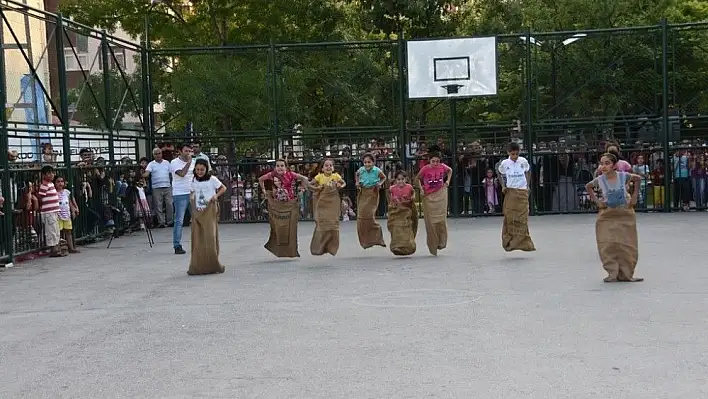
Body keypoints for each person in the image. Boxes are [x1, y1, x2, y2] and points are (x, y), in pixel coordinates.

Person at [585, 153, 644, 283]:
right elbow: (588, 187)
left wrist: (634, 196)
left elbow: (638, 179)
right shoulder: (600, 180)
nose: (603, 166)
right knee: (608, 243)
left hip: (624, 212)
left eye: (607, 163)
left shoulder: (623, 176)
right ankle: (612, 272)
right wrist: (596, 201)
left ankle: (627, 273)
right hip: (608, 213)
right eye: (602, 164)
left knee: (627, 243)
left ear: (614, 165)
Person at [259, 159, 310, 257]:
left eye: (282, 165)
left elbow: (305, 179)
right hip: (277, 203)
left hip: (289, 202)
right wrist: (264, 191)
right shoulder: (272, 174)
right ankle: (277, 247)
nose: (280, 167)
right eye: (277, 165)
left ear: (286, 167)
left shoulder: (290, 174)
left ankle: (290, 249)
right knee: (278, 226)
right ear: (275, 167)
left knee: (289, 227)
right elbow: (261, 179)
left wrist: (302, 190)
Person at [188, 158, 226, 275]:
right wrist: (192, 198)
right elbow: (192, 192)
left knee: (210, 237)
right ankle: (198, 265)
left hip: (209, 210)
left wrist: (216, 196)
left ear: (206, 169)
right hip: (198, 211)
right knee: (198, 238)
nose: (200, 171)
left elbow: (223, 188)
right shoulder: (193, 180)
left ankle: (213, 263)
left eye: (202, 169)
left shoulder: (212, 179)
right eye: (198, 169)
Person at [498, 142, 536, 252]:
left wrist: (527, 185)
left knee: (522, 218)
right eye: (512, 154)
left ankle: (524, 243)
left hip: (522, 190)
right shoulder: (505, 163)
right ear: (508, 153)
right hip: (511, 191)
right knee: (510, 216)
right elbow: (500, 173)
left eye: (516, 154)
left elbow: (528, 172)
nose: (515, 156)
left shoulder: (523, 161)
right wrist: (503, 186)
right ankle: (510, 241)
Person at [415, 147, 452, 256]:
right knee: (431, 222)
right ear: (429, 161)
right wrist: (421, 189)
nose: (435, 163)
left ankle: (442, 241)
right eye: (433, 161)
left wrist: (447, 181)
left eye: (437, 161)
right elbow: (417, 178)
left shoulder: (442, 167)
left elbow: (450, 170)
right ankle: (433, 244)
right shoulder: (425, 169)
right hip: (429, 196)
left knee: (441, 219)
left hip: (440, 194)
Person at [309, 158, 345, 256]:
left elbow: (343, 183)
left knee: (333, 224)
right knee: (322, 223)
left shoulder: (336, 176)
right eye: (326, 165)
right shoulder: (319, 177)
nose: (328, 167)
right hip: (323, 204)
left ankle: (331, 246)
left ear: (333, 168)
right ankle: (318, 247)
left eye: (330, 165)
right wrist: (317, 188)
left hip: (333, 204)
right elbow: (310, 185)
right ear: (322, 168)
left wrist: (340, 185)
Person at [355, 153, 387, 249]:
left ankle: (377, 235)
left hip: (373, 192)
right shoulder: (361, 170)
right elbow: (357, 174)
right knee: (361, 216)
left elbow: (384, 177)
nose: (367, 164)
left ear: (373, 162)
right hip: (363, 192)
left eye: (369, 162)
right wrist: (357, 182)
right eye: (365, 162)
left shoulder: (377, 170)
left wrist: (379, 183)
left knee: (369, 215)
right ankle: (366, 241)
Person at [170, 143, 195, 254]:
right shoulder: (174, 162)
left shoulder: (194, 162)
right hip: (180, 193)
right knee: (179, 220)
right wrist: (188, 163)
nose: (188, 153)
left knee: (197, 218)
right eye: (186, 151)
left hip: (192, 192)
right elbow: (182, 173)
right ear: (180, 151)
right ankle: (177, 245)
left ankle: (198, 242)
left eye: (190, 151)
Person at [387, 170, 417, 256]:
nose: (401, 181)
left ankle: (407, 246)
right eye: (398, 179)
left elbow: (413, 193)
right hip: (397, 210)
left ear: (406, 179)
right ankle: (396, 246)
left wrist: (412, 197)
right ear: (396, 180)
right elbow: (389, 194)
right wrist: (391, 202)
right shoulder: (392, 188)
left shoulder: (409, 187)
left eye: (402, 179)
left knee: (405, 226)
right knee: (396, 226)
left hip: (406, 209)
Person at [37, 165, 64, 257]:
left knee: (56, 230)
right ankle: (53, 249)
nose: (51, 175)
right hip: (48, 211)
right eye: (49, 173)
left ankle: (56, 247)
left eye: (52, 173)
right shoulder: (44, 185)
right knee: (51, 230)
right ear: (44, 175)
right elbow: (40, 197)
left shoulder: (51, 184)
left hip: (54, 210)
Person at [144, 147, 173, 228]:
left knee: (169, 204)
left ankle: (170, 221)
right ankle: (161, 222)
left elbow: (171, 174)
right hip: (156, 187)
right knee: (158, 205)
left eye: (159, 153)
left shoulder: (167, 163)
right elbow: (147, 173)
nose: (158, 155)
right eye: (156, 154)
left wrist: (171, 183)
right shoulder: (151, 164)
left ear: (161, 154)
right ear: (153, 155)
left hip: (167, 186)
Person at [54, 176, 80, 254]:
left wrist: (73, 210)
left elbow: (69, 202)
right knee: (58, 232)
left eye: (62, 181)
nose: (60, 183)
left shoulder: (66, 192)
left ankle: (71, 247)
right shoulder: (54, 193)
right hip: (58, 214)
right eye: (58, 182)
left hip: (66, 214)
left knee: (68, 231)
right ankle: (59, 248)